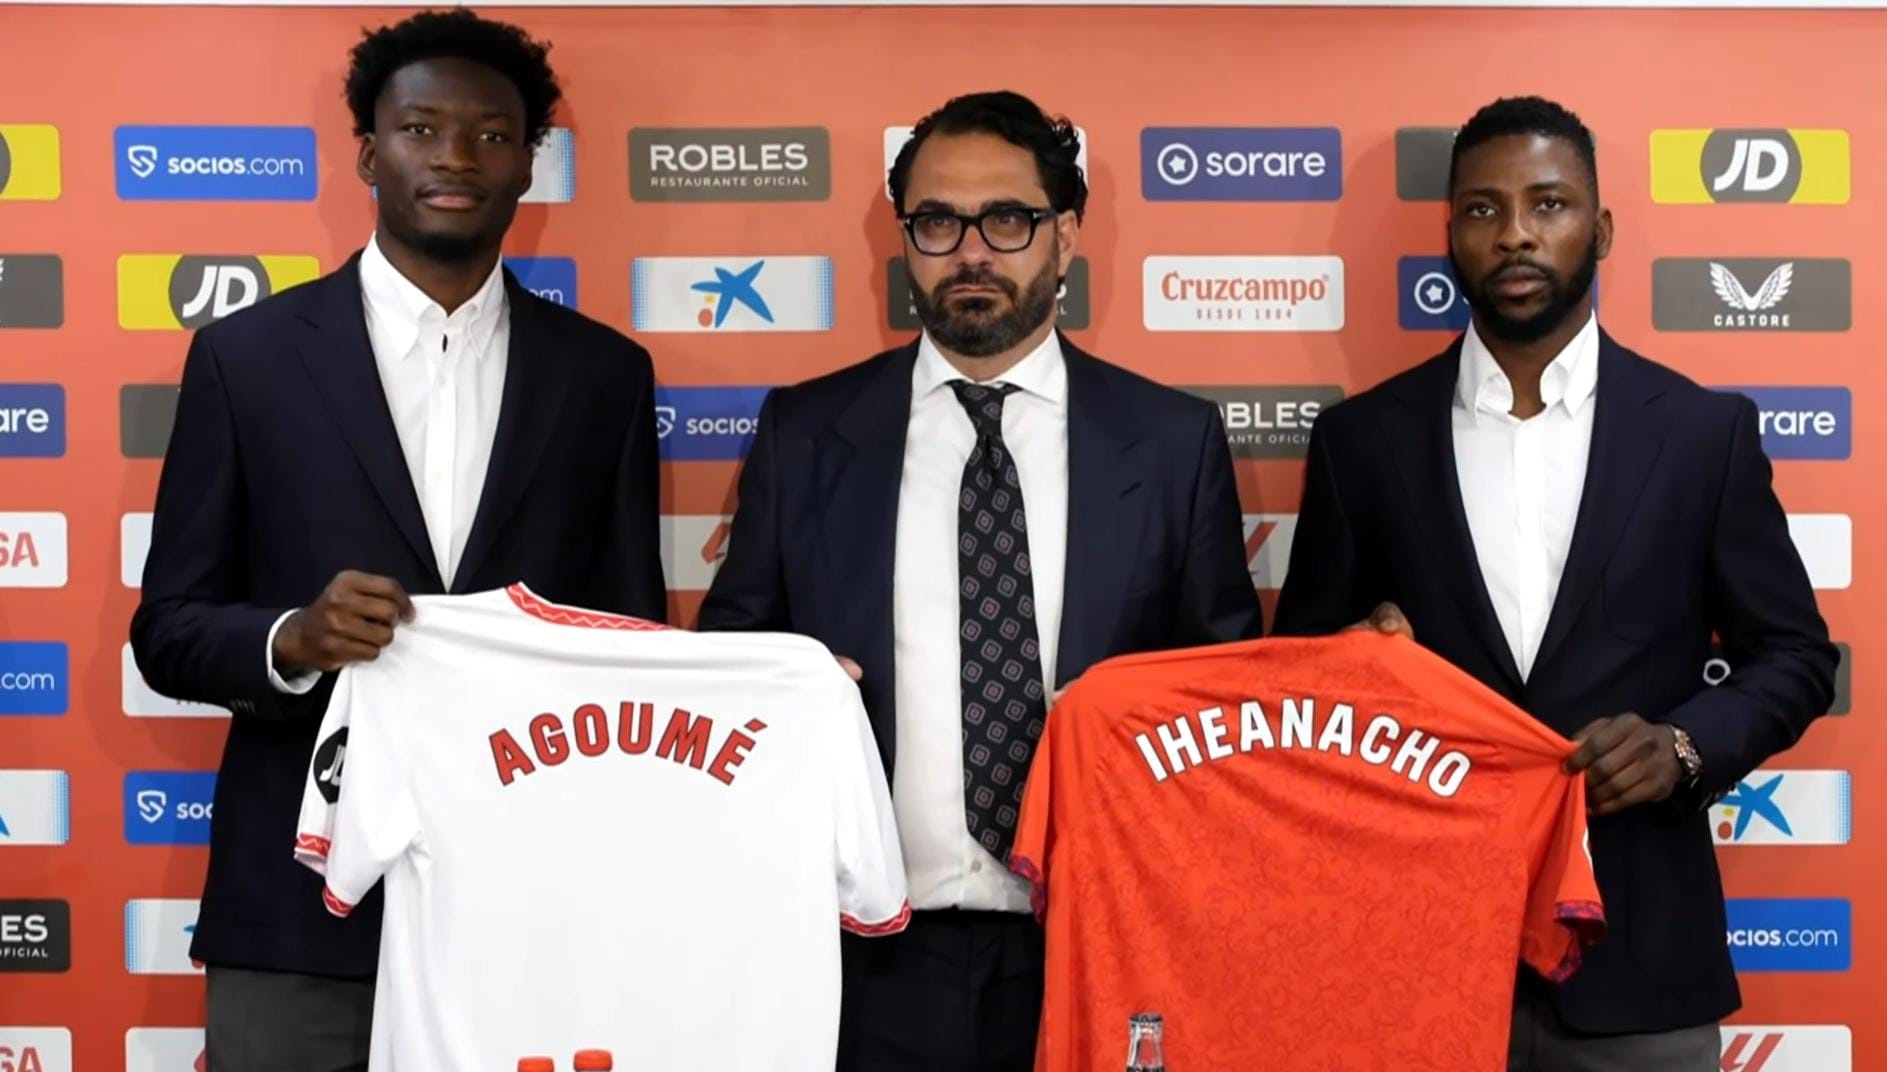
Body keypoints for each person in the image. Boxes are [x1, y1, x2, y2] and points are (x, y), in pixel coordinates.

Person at [129, 10, 665, 1069]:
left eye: (492, 135)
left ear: (530, 165)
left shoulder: (604, 376)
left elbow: (630, 635)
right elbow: (169, 629)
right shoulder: (249, 358)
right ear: (370, 152)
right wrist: (295, 638)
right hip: (297, 904)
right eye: (422, 129)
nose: (456, 157)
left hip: (530, 905)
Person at [697, 90, 1263, 1072]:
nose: (971, 251)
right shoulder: (806, 435)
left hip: (1099, 944)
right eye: (936, 222)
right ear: (905, 237)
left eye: (1008, 220)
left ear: (1066, 234)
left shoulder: (1172, 443)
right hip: (866, 950)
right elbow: (730, 676)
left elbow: (1223, 697)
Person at [1273, 96, 1838, 1071]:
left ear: (1601, 226)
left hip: (1641, 967)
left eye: (1549, 203)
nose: (1518, 232)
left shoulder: (1701, 436)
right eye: (1485, 210)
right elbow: (1300, 685)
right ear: (1451, 234)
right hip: (1417, 961)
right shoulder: (1362, 442)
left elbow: (1795, 657)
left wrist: (1685, 746)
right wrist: (1356, 666)